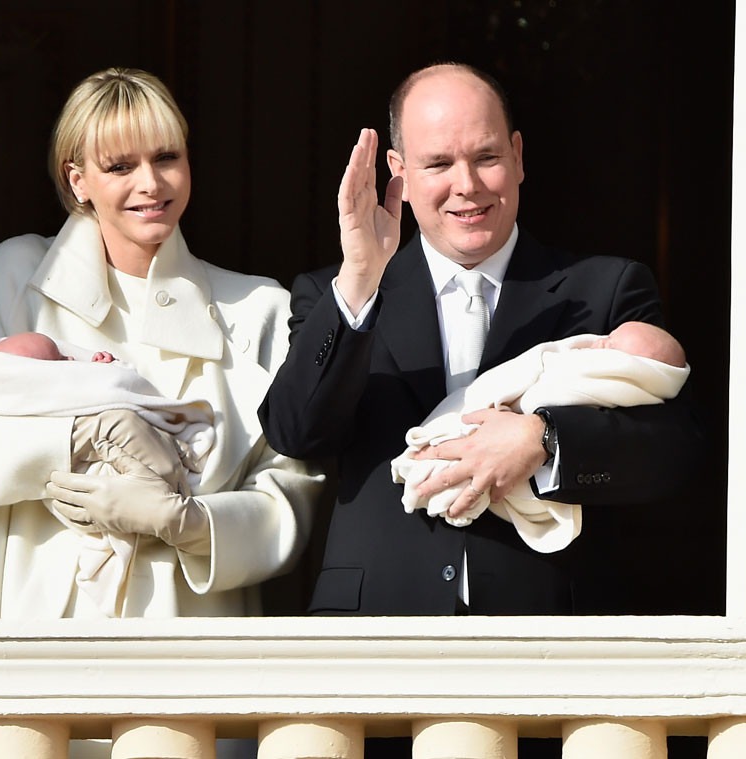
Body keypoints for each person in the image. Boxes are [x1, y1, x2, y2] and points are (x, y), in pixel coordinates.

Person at [258, 62, 705, 619]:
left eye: (486, 157)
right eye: (439, 163)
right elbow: (296, 431)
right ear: (399, 171)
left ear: (518, 156)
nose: (466, 185)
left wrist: (544, 442)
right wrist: (358, 281)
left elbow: (674, 452)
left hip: (551, 627)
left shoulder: (607, 289)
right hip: (376, 627)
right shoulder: (335, 293)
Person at [0, 66, 322, 629]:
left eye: (166, 158)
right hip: (36, 623)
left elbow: (291, 491)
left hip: (190, 632)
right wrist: (80, 436)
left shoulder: (258, 308)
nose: (151, 184)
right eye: (119, 166)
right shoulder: (17, 276)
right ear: (78, 179)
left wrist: (188, 522)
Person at [391, 321, 690, 553]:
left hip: (542, 586)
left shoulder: (616, 285)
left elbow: (669, 441)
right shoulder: (366, 287)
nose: (600, 343)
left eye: (612, 344)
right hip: (396, 575)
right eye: (607, 337)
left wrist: (542, 435)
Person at [0, 331, 217, 617]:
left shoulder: (264, 309)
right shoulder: (10, 293)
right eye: (56, 361)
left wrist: (196, 526)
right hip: (49, 582)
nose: (69, 359)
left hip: (182, 595)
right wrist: (80, 431)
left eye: (64, 355)